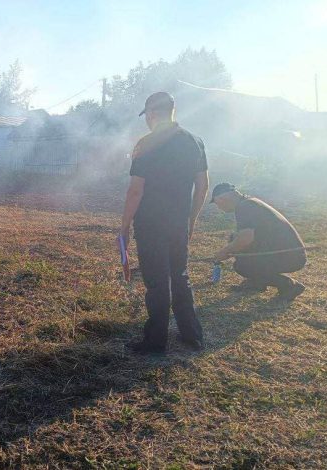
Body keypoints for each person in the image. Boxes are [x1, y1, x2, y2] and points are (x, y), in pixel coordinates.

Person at [120, 92, 209, 354]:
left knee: (157, 281)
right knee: (180, 276)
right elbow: (202, 186)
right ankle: (192, 335)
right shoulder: (195, 142)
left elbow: (136, 191)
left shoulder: (146, 144)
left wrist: (124, 226)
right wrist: (191, 219)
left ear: (151, 114)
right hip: (178, 222)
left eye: (147, 115)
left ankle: (155, 341)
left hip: (150, 223)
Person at [210, 182, 306, 302]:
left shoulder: (245, 207)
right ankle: (256, 283)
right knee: (234, 240)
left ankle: (289, 285)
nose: (219, 208)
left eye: (218, 204)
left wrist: (224, 252)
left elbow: (246, 238)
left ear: (222, 198)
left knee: (243, 266)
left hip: (290, 255)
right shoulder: (249, 202)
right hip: (287, 252)